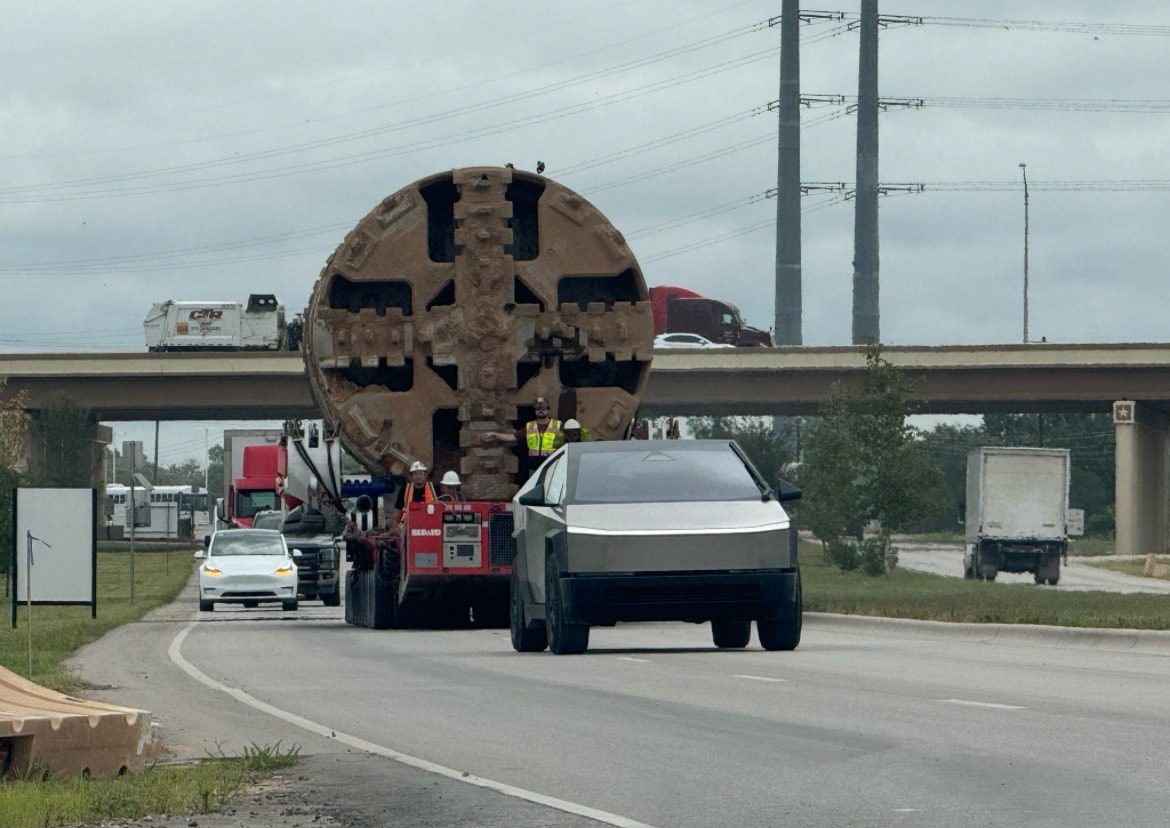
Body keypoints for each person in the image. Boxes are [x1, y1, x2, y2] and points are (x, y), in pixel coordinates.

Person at [482, 395, 563, 478]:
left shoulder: (557, 425)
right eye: (538, 409)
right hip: (534, 467)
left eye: (543, 409)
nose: (541, 411)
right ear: (535, 411)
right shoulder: (530, 426)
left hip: (552, 465)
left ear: (548, 410)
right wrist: (495, 434)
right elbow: (512, 437)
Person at [391, 460, 436, 526]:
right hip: (407, 524)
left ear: (425, 475)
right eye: (415, 474)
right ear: (411, 476)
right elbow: (398, 510)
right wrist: (394, 526)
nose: (418, 476)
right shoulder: (405, 489)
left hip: (429, 524)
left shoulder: (434, 488)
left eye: (420, 474)